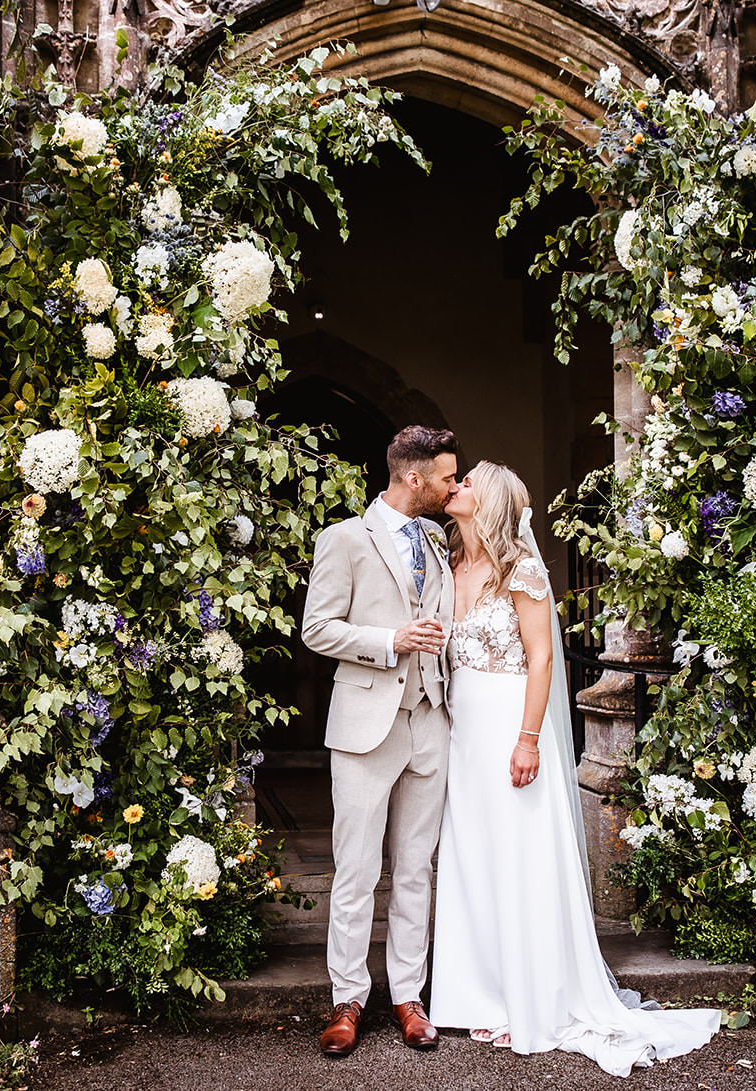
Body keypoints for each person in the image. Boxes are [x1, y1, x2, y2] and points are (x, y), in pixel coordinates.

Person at [429, 460, 721, 1077]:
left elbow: (542, 662)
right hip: (463, 732)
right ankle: (482, 992)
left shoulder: (522, 571)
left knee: (519, 855)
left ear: (493, 503)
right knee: (473, 855)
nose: (454, 487)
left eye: (467, 483)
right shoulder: (450, 565)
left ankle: (531, 996)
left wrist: (529, 740)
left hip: (511, 722)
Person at [300, 425, 459, 1058]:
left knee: (417, 868)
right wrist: (389, 641)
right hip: (366, 726)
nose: (453, 485)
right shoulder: (343, 540)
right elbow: (317, 628)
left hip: (431, 722)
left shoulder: (441, 542)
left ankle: (408, 996)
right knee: (358, 870)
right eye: (445, 475)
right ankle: (347, 999)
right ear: (412, 477)